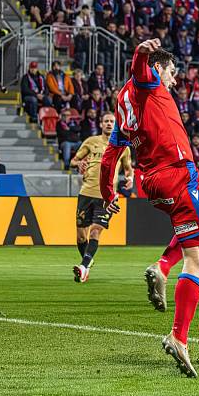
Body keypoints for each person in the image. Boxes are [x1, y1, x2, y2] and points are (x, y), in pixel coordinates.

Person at [99, 39, 199, 378]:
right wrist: (142, 51)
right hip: (176, 172)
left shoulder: (123, 103)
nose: (174, 79)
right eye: (171, 72)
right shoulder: (147, 82)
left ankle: (163, 267)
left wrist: (107, 192)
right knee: (198, 260)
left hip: (152, 181)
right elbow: (139, 68)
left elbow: (111, 155)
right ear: (157, 69)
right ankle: (178, 337)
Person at [69, 112, 133, 283]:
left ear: (116, 124)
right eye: (106, 121)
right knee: (81, 237)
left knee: (96, 230)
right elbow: (73, 161)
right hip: (86, 193)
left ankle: (83, 266)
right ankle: (87, 261)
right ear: (101, 124)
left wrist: (130, 178)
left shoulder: (123, 147)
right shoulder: (91, 142)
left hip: (107, 196)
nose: (109, 124)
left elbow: (128, 168)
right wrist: (79, 164)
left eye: (112, 121)